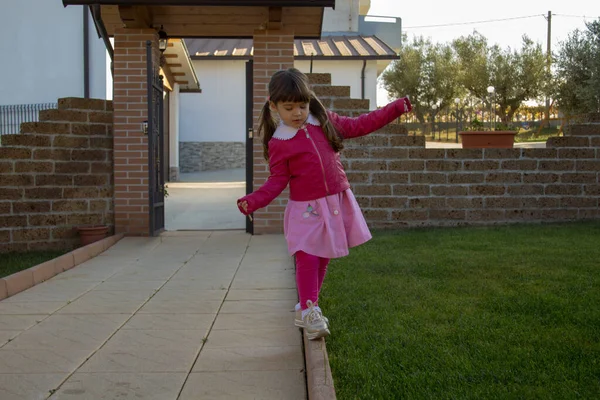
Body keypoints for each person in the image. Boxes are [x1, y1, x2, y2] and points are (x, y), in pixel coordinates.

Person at [237, 68, 412, 340]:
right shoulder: (279, 142)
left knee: (323, 258)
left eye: (302, 105)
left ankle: (309, 308)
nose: (297, 113)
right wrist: (253, 201)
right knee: (307, 254)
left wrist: (395, 108)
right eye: (289, 107)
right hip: (306, 209)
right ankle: (309, 312)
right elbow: (276, 182)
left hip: (334, 201)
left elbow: (361, 124)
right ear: (273, 106)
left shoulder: (324, 121)